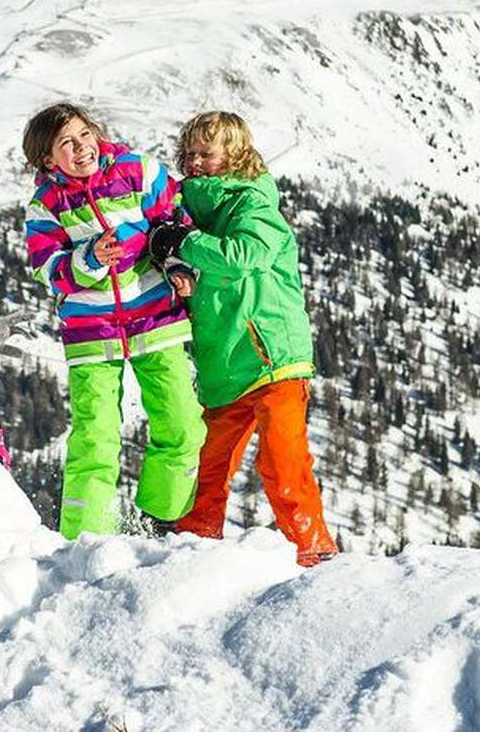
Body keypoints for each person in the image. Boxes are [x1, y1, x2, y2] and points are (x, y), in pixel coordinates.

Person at [146, 111, 337, 565]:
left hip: (271, 355)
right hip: (223, 362)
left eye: (206, 153)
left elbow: (242, 255)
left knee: (282, 459)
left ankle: (313, 548)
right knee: (208, 463)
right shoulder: (191, 212)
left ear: (234, 155)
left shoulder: (254, 203)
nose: (194, 162)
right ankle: (194, 541)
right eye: (188, 153)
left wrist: (182, 243)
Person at [22, 102, 205, 539]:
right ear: (49, 159)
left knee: (181, 422)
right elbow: (48, 268)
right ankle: (85, 537)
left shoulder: (138, 171)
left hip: (156, 317)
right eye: (66, 143)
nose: (81, 147)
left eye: (84, 134)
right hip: (91, 333)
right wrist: (89, 260)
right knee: (95, 436)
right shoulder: (45, 205)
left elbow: (176, 221)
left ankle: (164, 518)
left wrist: (178, 267)